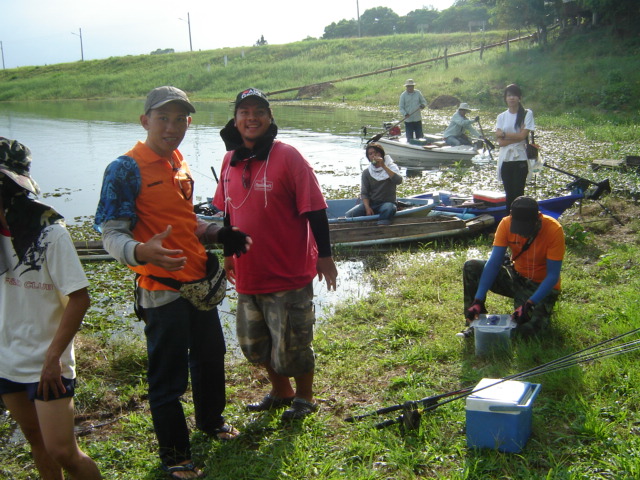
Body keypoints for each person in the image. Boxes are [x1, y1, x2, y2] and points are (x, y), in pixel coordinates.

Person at [95, 86, 250, 480]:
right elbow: (111, 234)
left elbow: (184, 224)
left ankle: (211, 422)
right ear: (145, 121)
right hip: (161, 289)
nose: (171, 127)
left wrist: (218, 233)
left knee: (211, 358)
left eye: (179, 119)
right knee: (168, 377)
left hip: (198, 284)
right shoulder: (125, 168)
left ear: (188, 123)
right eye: (163, 118)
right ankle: (176, 456)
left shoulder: (178, 161)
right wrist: (141, 252)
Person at [213, 87, 338, 422]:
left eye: (259, 112)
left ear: (269, 119)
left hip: (288, 270)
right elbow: (227, 213)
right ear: (236, 119)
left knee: (294, 341)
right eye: (244, 112)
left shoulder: (289, 156)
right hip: (249, 272)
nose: (251, 118)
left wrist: (324, 258)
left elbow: (316, 210)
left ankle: (305, 398)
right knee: (256, 342)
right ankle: (281, 391)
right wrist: (227, 255)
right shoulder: (229, 159)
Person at [0, 138, 102, 480]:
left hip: (47, 361)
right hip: (7, 357)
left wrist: (52, 359)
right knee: (37, 442)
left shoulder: (50, 234)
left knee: (63, 451)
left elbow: (79, 297)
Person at [463, 196, 565, 338]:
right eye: (518, 227)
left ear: (537, 218)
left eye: (526, 228)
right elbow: (494, 263)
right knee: (471, 266)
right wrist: (478, 299)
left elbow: (553, 276)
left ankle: (531, 308)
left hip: (540, 285)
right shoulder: (506, 224)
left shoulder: (554, 230)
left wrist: (529, 304)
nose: (521, 233)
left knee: (524, 334)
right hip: (516, 277)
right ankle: (474, 322)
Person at [495, 84, 535, 213]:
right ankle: (509, 223)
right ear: (505, 98)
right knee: (509, 194)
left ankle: (520, 222)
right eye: (509, 95)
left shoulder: (526, 113)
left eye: (514, 95)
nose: (511, 98)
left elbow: (523, 136)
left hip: (520, 157)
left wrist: (505, 135)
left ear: (519, 97)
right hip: (506, 159)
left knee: (518, 194)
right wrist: (517, 137)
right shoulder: (501, 116)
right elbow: (500, 142)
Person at [345, 143, 403, 225]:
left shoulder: (391, 167)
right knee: (350, 214)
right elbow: (364, 193)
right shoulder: (367, 172)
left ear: (381, 154)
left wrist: (383, 166)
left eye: (376, 153)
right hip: (372, 204)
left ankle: (382, 226)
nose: (373, 156)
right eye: (370, 154)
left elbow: (398, 181)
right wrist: (367, 207)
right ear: (368, 157)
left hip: (387, 202)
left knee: (388, 208)